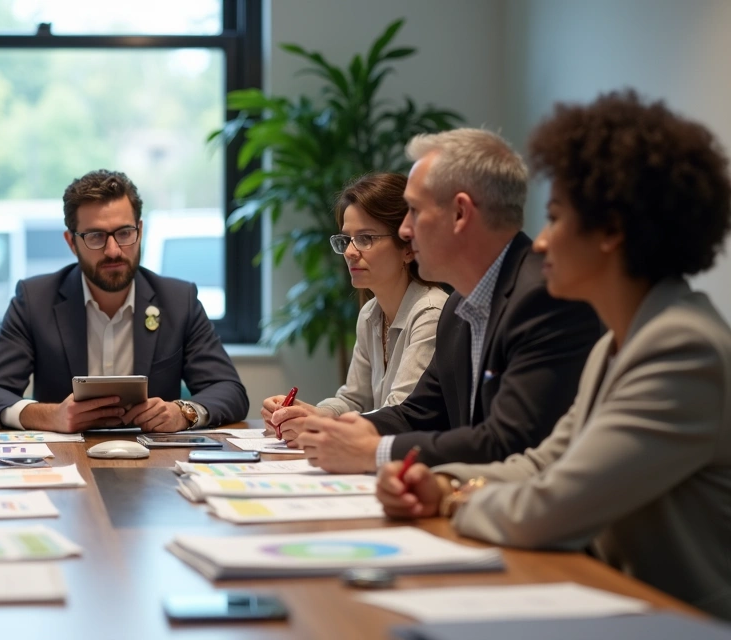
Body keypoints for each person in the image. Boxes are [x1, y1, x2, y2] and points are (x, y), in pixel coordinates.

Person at [377, 91, 731, 619]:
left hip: (681, 618)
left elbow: (554, 505)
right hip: (620, 602)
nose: (540, 243)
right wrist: (443, 479)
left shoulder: (682, 348)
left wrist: (450, 500)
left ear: (611, 231)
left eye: (557, 217)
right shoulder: (620, 342)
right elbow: (543, 463)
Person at [271, 128, 602, 472]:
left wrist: (376, 451)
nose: (404, 230)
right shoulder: (459, 307)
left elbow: (508, 440)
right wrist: (335, 429)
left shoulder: (544, 299)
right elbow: (419, 411)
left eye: (413, 210)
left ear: (460, 214)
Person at [0, 169, 248, 432]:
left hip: (156, 466)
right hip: (66, 463)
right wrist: (51, 416)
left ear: (140, 231)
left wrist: (183, 413)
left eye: (124, 233)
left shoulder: (178, 300)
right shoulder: (35, 300)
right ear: (71, 242)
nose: (113, 250)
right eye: (96, 237)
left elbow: (230, 391)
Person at [261, 173, 447, 432]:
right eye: (347, 239)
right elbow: (353, 400)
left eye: (365, 238)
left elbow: (400, 413)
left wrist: (319, 424)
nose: (349, 251)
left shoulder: (430, 313)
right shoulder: (371, 312)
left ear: (408, 247)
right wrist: (307, 413)